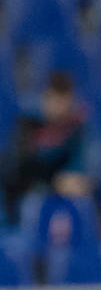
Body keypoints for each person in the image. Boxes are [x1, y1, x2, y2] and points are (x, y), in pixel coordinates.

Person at [1, 71, 91, 226]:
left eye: (65, 101)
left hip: (60, 194)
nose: (61, 107)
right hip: (21, 196)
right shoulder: (28, 121)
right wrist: (55, 182)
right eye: (57, 100)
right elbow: (19, 168)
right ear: (47, 97)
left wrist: (78, 178)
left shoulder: (76, 125)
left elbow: (81, 163)